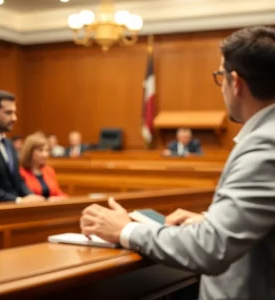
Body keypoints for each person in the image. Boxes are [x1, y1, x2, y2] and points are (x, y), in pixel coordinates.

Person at [81, 26, 275, 300]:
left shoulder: (266, 143)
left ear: (236, 82)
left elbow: (210, 249)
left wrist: (124, 230)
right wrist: (210, 220)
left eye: (220, 77)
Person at [0, 90, 45, 204]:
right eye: (8, 113)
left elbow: (17, 179)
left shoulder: (7, 143)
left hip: (11, 211)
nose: (14, 118)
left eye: (14, 112)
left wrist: (31, 196)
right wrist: (17, 200)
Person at [20, 132, 68, 201]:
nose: (45, 154)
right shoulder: (21, 172)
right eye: (40, 150)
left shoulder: (49, 170)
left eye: (47, 150)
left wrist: (61, 198)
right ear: (30, 152)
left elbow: (58, 193)